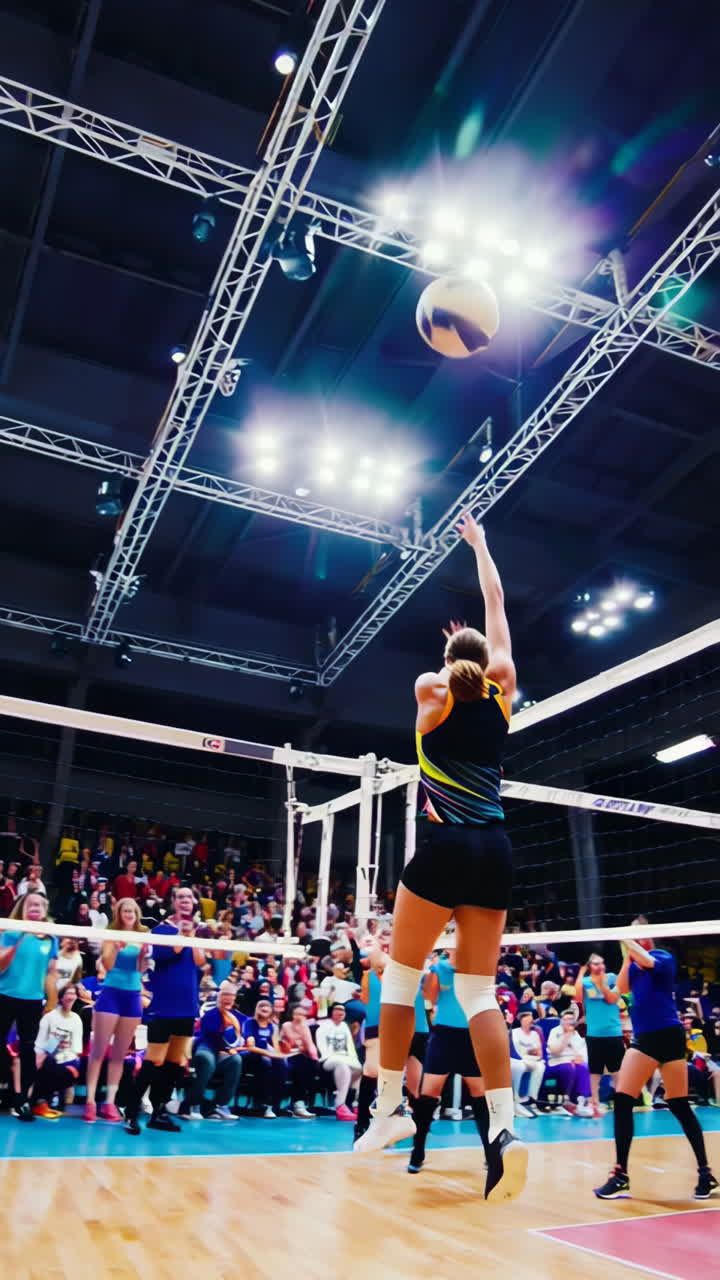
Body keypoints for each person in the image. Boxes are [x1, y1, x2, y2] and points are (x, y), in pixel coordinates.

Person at [354, 512, 525, 1203]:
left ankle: (389, 1109)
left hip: (446, 850)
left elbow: (438, 677)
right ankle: (506, 1129)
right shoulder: (503, 693)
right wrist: (483, 546)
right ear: (488, 668)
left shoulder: (431, 704)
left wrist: (448, 657)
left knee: (400, 979)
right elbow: (498, 607)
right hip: (498, 850)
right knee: (478, 992)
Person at [595, 926, 718, 1201]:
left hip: (662, 1035)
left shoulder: (661, 957)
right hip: (650, 1036)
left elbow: (647, 960)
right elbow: (620, 991)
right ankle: (705, 1173)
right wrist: (623, 955)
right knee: (673, 1103)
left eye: (639, 933)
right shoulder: (634, 965)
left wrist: (627, 938)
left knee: (630, 1099)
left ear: (649, 937)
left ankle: (621, 1176)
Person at [123, 885, 205, 1134]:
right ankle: (131, 1111)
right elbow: (168, 955)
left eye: (189, 897)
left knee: (174, 1064)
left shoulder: (195, 933)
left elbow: (200, 961)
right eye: (180, 897)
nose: (185, 900)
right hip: (164, 1006)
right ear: (173, 902)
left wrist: (193, 936)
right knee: (153, 1062)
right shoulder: (161, 930)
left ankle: (158, 1111)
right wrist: (183, 933)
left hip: (188, 1006)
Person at [406, 951, 491, 1176]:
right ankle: (418, 1151)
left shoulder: (479, 964)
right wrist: (437, 971)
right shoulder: (440, 968)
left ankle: (490, 1153)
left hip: (472, 1036)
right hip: (444, 1036)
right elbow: (429, 999)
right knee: (428, 1094)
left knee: (480, 1095)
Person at [84, 898, 150, 1123]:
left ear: (137, 913)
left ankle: (109, 1102)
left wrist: (143, 955)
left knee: (120, 1054)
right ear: (119, 913)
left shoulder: (144, 934)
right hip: (111, 993)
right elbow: (109, 965)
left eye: (132, 910)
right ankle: (91, 1101)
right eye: (125, 911)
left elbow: (142, 969)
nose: (129, 914)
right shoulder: (111, 933)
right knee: (99, 1051)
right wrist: (117, 947)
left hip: (132, 996)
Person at [0, 892, 59, 1121]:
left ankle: (22, 1099)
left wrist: (51, 999)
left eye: (39, 905)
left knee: (27, 1050)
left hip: (32, 1001)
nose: (35, 907)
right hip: (5, 996)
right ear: (23, 908)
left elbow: (51, 973)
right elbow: (1, 967)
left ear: (45, 911)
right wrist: (19, 939)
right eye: (30, 904)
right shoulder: (10, 932)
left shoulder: (51, 939)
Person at [184, 979, 243, 1120]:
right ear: (219, 996)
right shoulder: (211, 1014)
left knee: (236, 1061)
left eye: (231, 996)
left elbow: (242, 1036)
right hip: (206, 1047)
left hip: (224, 1052)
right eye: (225, 995)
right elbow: (211, 1035)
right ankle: (194, 1105)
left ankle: (220, 1106)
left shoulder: (237, 1017)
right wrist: (226, 1049)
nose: (228, 999)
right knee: (207, 1060)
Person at [575, 953, 624, 1117]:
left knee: (617, 1070)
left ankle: (622, 1102)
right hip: (594, 1033)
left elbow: (612, 999)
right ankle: (594, 1104)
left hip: (613, 1031)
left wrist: (603, 984)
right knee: (595, 1071)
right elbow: (578, 997)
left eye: (601, 963)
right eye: (595, 964)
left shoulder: (612, 978)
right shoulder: (586, 982)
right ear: (590, 967)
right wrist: (581, 973)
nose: (599, 966)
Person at [33, 983, 84, 1118]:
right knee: (48, 1062)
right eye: (68, 993)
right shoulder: (49, 1017)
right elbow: (40, 1043)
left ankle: (53, 1100)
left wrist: (67, 1055)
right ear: (61, 997)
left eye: (73, 994)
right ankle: (41, 1101)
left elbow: (76, 1048)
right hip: (46, 1057)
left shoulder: (77, 1019)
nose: (71, 996)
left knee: (72, 1068)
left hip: (67, 1058)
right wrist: (53, 1045)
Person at [354, 938, 388, 1140]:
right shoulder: (370, 975)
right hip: (376, 1026)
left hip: (399, 1026)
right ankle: (362, 1123)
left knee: (390, 1077)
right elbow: (375, 958)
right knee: (372, 1072)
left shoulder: (397, 973)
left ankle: (384, 1122)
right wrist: (377, 939)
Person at [316, 1003, 362, 1120]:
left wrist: (354, 1059)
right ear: (332, 1012)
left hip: (345, 1058)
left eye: (343, 1010)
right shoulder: (322, 1025)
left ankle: (356, 1104)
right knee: (342, 1065)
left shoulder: (344, 1026)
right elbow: (321, 1046)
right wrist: (328, 1057)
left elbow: (350, 1046)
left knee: (360, 1069)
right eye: (337, 1010)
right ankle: (340, 1105)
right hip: (328, 1059)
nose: (341, 1012)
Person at [244, 997, 287, 1118]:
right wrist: (269, 1053)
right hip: (252, 1055)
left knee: (282, 1064)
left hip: (268, 1054)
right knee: (266, 1062)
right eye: (261, 1006)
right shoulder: (250, 1023)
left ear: (271, 1010)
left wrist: (280, 1055)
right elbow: (250, 1045)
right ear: (257, 1009)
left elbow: (276, 1047)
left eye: (267, 1006)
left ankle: (274, 1105)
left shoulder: (273, 1026)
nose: (264, 1008)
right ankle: (262, 1104)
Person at [546, 1011, 593, 1116]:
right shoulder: (554, 1031)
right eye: (566, 1019)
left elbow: (581, 1051)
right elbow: (554, 1051)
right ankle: (567, 1100)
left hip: (572, 1061)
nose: (568, 1022)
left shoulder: (575, 1034)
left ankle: (583, 1101)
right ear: (561, 1021)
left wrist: (579, 1058)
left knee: (584, 1067)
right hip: (557, 1061)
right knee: (569, 1067)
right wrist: (566, 1037)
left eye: (571, 1020)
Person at [279, 1003, 319, 1118]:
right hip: (286, 1056)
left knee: (312, 1065)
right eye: (297, 1014)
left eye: (302, 1014)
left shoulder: (304, 1027)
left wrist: (316, 1059)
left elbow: (310, 1045)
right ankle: (297, 1104)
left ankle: (300, 1103)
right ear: (292, 1014)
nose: (299, 1016)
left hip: (300, 1055)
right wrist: (302, 1036)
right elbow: (292, 1042)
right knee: (302, 1064)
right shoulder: (287, 1025)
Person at [510, 1010, 546, 1117]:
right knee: (519, 1067)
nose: (528, 1022)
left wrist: (533, 1053)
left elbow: (539, 1052)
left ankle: (531, 1097)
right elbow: (516, 1051)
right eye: (526, 1020)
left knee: (541, 1067)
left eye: (530, 1020)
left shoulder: (535, 1034)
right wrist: (529, 1051)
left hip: (533, 1060)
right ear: (521, 1021)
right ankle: (515, 1098)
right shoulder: (515, 1032)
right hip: (521, 1059)